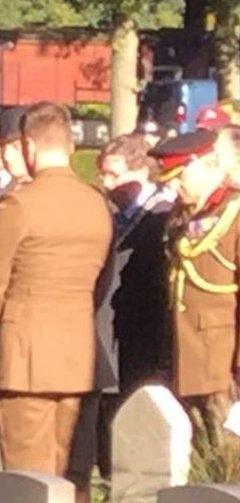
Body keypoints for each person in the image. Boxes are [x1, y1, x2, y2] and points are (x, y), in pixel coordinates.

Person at [0, 102, 112, 503]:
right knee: (74, 488)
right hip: (80, 358)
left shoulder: (20, 203)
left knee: (30, 483)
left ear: (29, 146)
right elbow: (100, 283)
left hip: (26, 361)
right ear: (70, 146)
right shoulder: (96, 204)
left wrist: (6, 333)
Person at [151, 129, 240, 449]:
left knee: (227, 460)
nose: (174, 186)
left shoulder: (235, 212)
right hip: (184, 359)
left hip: (221, 366)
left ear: (208, 165)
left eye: (181, 175)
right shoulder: (186, 216)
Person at [94, 134, 176, 476]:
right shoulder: (112, 212)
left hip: (146, 330)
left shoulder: (159, 214)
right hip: (113, 329)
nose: (106, 183)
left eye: (114, 175)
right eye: (103, 174)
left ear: (141, 171)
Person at [0, 106, 31, 228]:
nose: (7, 156)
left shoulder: (46, 193)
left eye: (15, 146)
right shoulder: (5, 189)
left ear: (30, 145)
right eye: (3, 146)